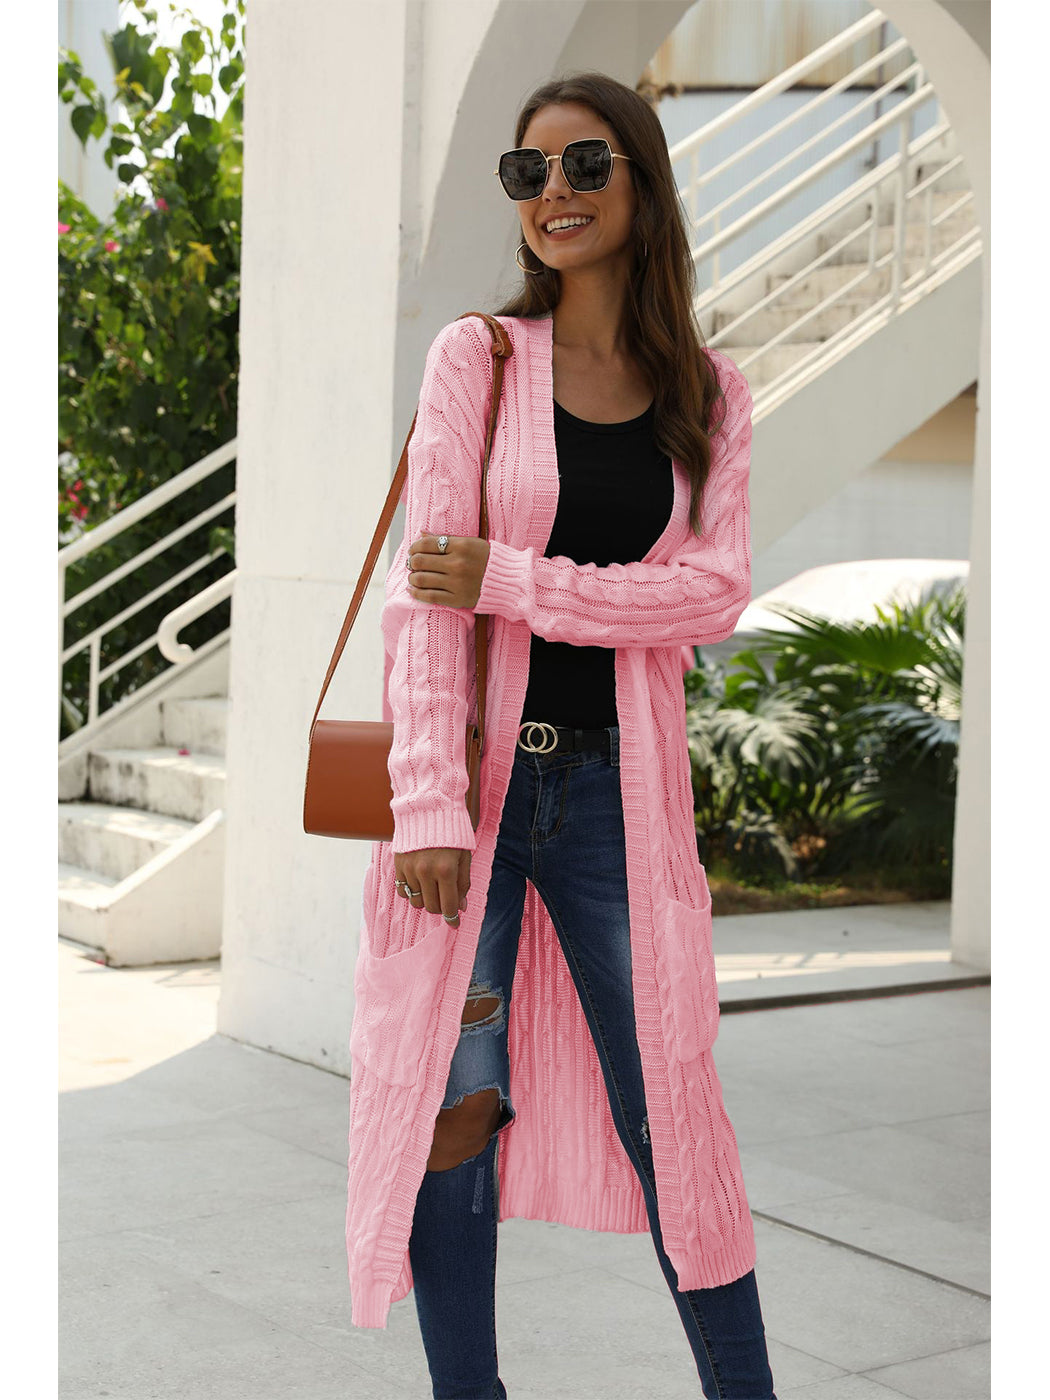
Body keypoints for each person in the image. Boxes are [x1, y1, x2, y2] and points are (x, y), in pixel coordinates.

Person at [345, 71, 778, 1400]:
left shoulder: (709, 393)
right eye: (526, 173)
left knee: (674, 1115)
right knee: (455, 1109)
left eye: (585, 165)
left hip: (615, 805)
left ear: (642, 182)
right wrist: (426, 802)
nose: (554, 194)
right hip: (473, 807)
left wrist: (516, 581)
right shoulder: (478, 361)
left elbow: (711, 594)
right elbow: (427, 602)